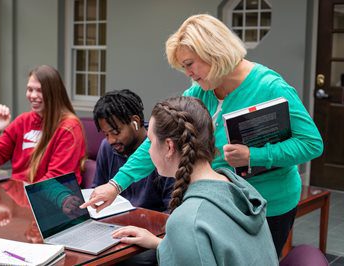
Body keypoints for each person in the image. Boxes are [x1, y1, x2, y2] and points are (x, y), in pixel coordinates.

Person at [82, 14, 324, 257]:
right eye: (183, 67)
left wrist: (254, 155)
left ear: (214, 52)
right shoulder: (200, 91)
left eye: (190, 64)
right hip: (223, 201)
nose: (187, 73)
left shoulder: (270, 87)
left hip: (269, 204)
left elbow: (311, 144)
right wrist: (115, 185)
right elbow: (155, 141)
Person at [112, 96, 278, 265]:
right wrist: (163, 244)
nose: (148, 151)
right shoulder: (238, 187)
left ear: (169, 147)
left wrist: (180, 234)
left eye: (151, 142)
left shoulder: (187, 220)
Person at [0, 65, 86, 184]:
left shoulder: (69, 127)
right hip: (20, 196)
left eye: (40, 90)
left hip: (49, 198)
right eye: (30, 90)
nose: (33, 96)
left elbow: (56, 179)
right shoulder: (22, 121)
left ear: (53, 93)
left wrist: (20, 196)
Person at [93, 89, 174, 212]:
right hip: (113, 224)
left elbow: (172, 208)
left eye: (115, 132)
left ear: (135, 122)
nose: (111, 140)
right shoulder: (106, 148)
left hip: (152, 226)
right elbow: (98, 188)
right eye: (106, 134)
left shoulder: (162, 147)